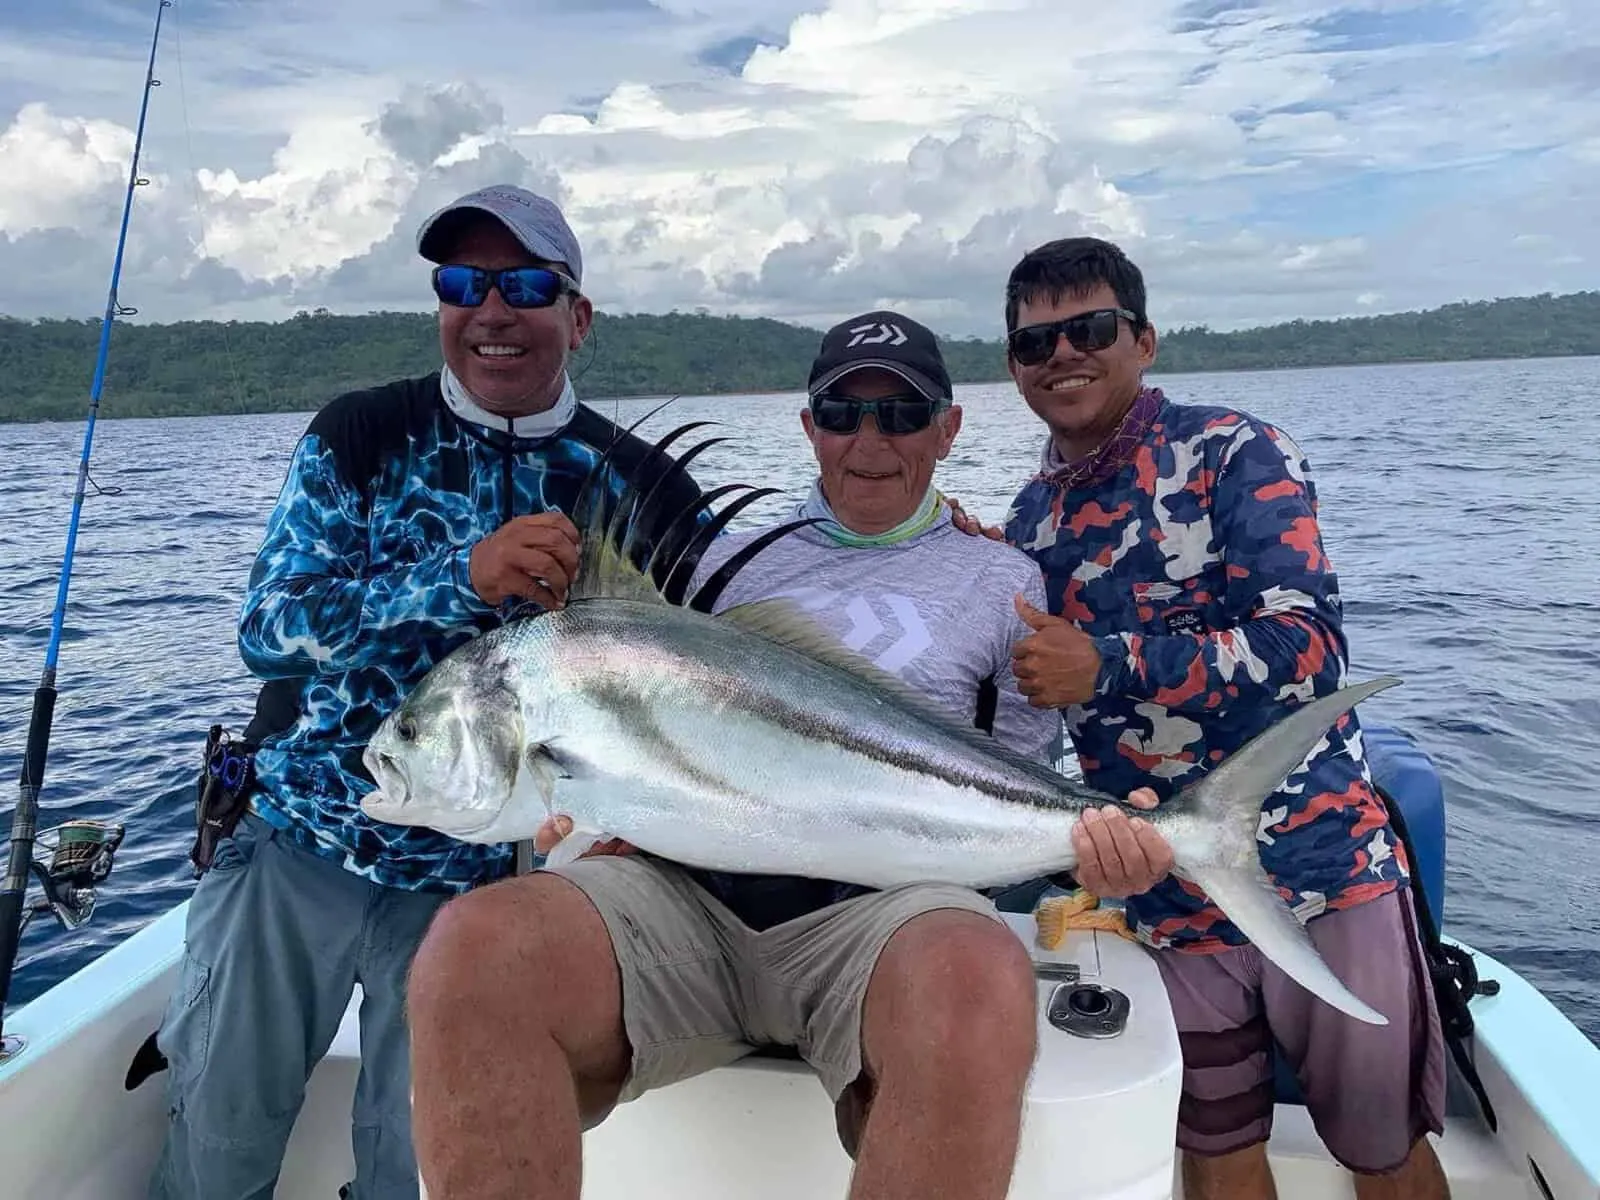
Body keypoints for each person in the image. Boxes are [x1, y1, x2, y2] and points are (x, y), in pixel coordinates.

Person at [403, 309, 1175, 1200]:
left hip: (883, 918)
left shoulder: (1001, 580)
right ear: (809, 428)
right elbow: (643, 737)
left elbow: (1007, 784)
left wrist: (1091, 848)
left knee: (976, 978)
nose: (870, 440)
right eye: (843, 415)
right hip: (687, 901)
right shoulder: (723, 565)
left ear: (950, 428)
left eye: (903, 412)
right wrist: (598, 818)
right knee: (475, 948)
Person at [147, 185, 704, 1200]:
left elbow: (711, 685)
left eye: (528, 284)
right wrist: (457, 577)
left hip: (492, 882)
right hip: (302, 843)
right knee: (216, 1143)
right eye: (462, 283)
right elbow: (266, 632)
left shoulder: (646, 487)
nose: (492, 310)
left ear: (578, 316)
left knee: (423, 1165)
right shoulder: (361, 435)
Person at [985, 236, 1450, 1200]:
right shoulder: (1024, 525)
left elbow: (1308, 649)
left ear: (1144, 340)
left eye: (1090, 329)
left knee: (1383, 1148)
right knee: (1214, 1146)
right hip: (1162, 897)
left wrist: (1106, 662)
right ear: (1013, 369)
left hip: (1322, 875)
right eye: (1037, 344)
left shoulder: (1235, 451)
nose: (1063, 355)